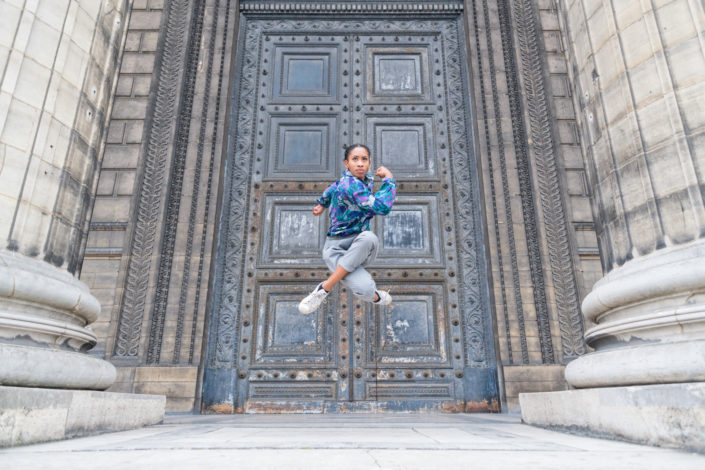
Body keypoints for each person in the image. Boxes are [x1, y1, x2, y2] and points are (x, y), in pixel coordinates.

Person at [298, 143, 396, 314]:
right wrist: (389, 179)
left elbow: (332, 188)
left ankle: (324, 289)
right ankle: (376, 298)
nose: (360, 163)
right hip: (336, 248)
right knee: (366, 289)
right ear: (346, 163)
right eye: (355, 159)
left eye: (364, 159)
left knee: (369, 237)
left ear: (369, 162)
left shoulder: (356, 181)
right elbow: (382, 207)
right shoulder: (352, 185)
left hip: (359, 245)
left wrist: (322, 204)